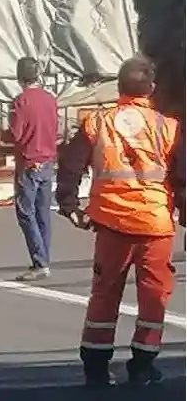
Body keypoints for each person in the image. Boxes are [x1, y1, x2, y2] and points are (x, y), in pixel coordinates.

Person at [56, 56, 184, 388]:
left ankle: (96, 369)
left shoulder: (97, 123)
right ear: (151, 89)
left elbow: (70, 164)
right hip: (155, 225)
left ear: (118, 87)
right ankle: (142, 366)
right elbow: (182, 177)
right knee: (154, 297)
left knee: (104, 294)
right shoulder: (167, 127)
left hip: (111, 223)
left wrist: (69, 203)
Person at [8, 56, 59, 281]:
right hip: (48, 160)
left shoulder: (20, 102)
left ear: (19, 77)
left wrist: (2, 132)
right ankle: (44, 258)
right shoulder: (50, 100)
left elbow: (15, 135)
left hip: (28, 162)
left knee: (25, 212)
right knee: (42, 213)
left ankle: (40, 261)